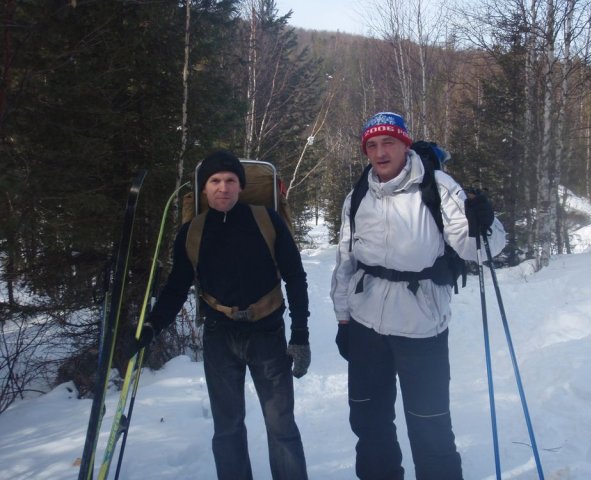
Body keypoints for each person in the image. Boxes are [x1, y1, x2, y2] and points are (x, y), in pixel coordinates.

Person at [330, 112, 506, 480]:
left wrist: (484, 221)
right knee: (368, 420)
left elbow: (482, 250)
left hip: (421, 324)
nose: (380, 152)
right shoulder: (358, 194)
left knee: (430, 426)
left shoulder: (438, 186)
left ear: (405, 144)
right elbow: (346, 261)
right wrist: (344, 319)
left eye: (389, 142)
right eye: (372, 146)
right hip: (365, 325)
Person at [131, 149, 310, 480]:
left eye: (230, 181)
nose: (223, 188)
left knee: (281, 426)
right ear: (204, 188)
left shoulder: (266, 221)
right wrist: (152, 327)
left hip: (267, 335)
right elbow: (175, 288)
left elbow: (295, 277)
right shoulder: (192, 233)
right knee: (227, 429)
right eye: (215, 181)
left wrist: (300, 335)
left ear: (240, 187)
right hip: (219, 338)